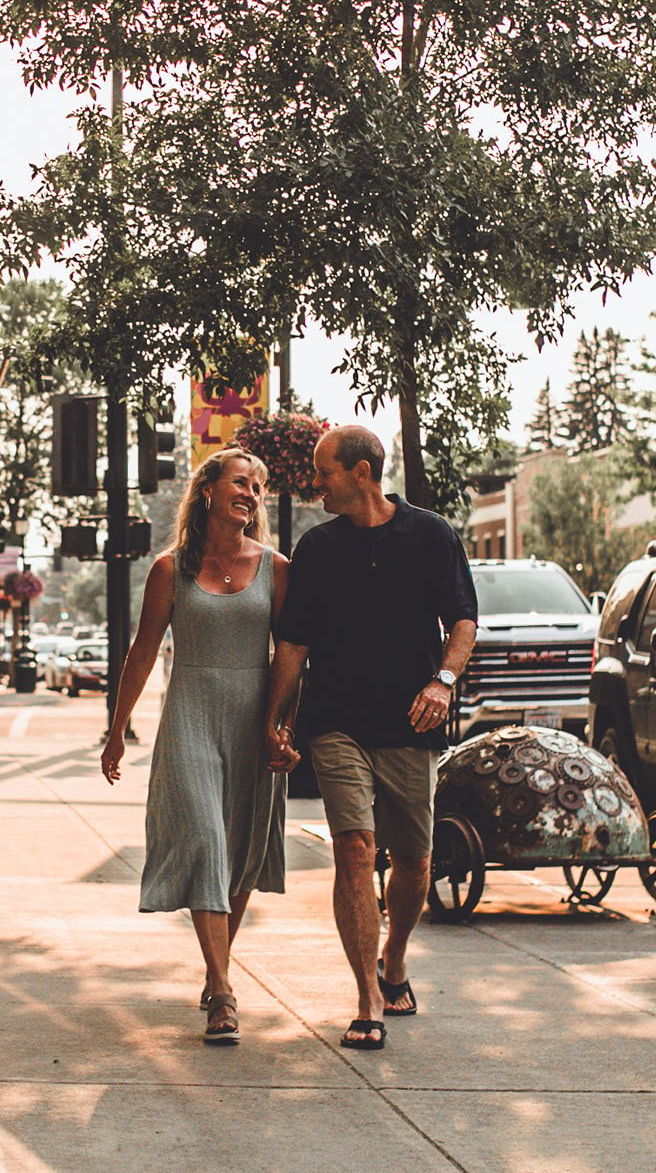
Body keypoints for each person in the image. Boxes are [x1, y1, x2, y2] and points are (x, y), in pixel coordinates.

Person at [266, 424, 477, 1051]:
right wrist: (275, 718)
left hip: (411, 722)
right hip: (335, 721)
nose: (315, 485)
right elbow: (294, 643)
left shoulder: (431, 535)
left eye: (324, 473)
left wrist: (442, 683)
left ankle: (395, 958)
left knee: (414, 862)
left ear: (361, 473)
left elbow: (463, 621)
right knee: (354, 848)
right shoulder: (317, 548)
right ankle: (365, 998)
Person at [103, 449, 287, 1045]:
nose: (252, 494)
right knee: (206, 841)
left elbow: (292, 656)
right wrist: (116, 728)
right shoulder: (170, 569)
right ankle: (225, 994)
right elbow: (142, 651)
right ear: (206, 490)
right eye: (241, 482)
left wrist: (284, 724)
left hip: (253, 718)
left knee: (240, 853)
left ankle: (215, 973)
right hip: (189, 715)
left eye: (258, 487)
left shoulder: (277, 568)